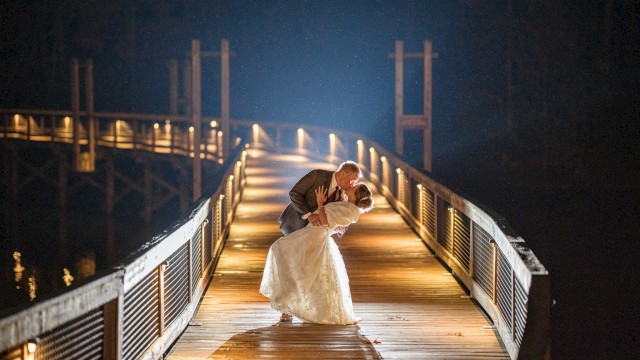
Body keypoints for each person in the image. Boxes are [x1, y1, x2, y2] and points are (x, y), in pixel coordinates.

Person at [260, 183, 374, 324]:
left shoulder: (351, 210)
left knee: (281, 249)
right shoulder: (346, 205)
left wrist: (320, 203)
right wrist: (337, 226)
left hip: (315, 235)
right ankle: (288, 307)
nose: (351, 186)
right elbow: (338, 225)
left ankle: (288, 306)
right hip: (312, 232)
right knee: (293, 261)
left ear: (355, 195)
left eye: (353, 188)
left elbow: (326, 222)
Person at [278, 161, 362, 236]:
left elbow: (344, 213)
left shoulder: (345, 193)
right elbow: (295, 193)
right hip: (296, 225)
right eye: (352, 181)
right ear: (343, 174)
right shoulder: (317, 176)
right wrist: (308, 215)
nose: (352, 185)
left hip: (316, 234)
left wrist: (342, 229)